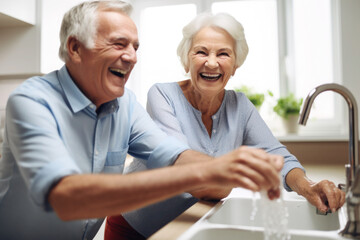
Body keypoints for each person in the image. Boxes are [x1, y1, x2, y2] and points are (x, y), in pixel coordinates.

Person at [0, 1, 285, 239]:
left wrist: (228, 170)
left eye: (136, 47)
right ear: (75, 48)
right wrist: (211, 172)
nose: (132, 57)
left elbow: (175, 155)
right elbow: (66, 197)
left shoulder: (125, 105)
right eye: (119, 44)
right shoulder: (32, 102)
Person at [105, 12, 346, 239]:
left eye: (223, 54)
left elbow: (275, 154)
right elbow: (185, 172)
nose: (211, 63)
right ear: (186, 60)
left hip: (186, 222)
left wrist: (309, 186)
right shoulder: (162, 95)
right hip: (132, 223)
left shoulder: (239, 105)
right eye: (201, 52)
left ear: (235, 65)